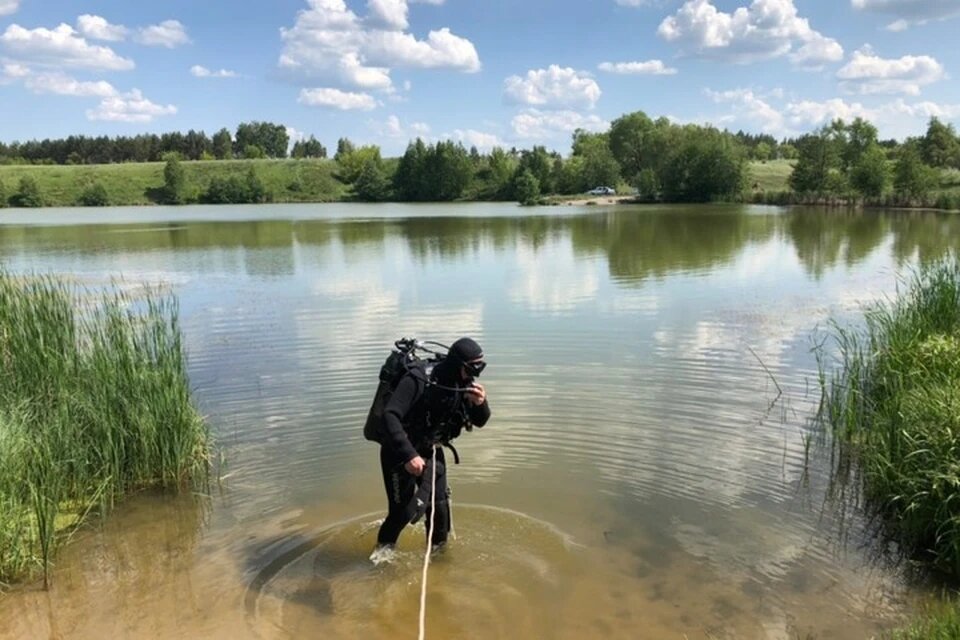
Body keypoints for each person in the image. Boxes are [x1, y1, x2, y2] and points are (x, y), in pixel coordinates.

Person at [374, 337, 490, 555]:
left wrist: (481, 404)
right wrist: (409, 455)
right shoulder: (419, 378)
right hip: (399, 452)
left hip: (431, 450)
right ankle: (382, 556)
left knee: (440, 511)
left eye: (480, 367)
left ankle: (438, 560)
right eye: (473, 367)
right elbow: (390, 415)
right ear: (459, 364)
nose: (476, 374)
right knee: (403, 513)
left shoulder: (462, 383)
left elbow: (480, 421)